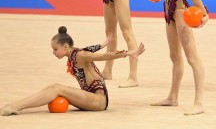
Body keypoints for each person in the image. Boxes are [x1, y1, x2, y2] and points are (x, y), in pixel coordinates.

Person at [0, 26, 145, 116]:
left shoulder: (80, 55)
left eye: (55, 49)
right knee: (51, 88)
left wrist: (128, 52)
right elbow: (90, 47)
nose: (53, 52)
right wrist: (104, 43)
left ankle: (17, 106)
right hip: (91, 97)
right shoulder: (74, 52)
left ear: (65, 47)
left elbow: (103, 56)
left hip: (98, 100)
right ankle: (17, 105)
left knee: (56, 88)